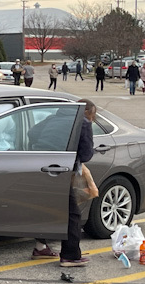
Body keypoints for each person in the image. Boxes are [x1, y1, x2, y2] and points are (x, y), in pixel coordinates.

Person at [28, 100, 97, 266]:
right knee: (72, 214)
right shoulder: (83, 123)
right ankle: (70, 255)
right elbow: (86, 154)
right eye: (93, 115)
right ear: (86, 112)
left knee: (46, 209)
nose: (93, 119)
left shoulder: (52, 118)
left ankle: (40, 247)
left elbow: (32, 133)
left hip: (38, 166)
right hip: (59, 171)